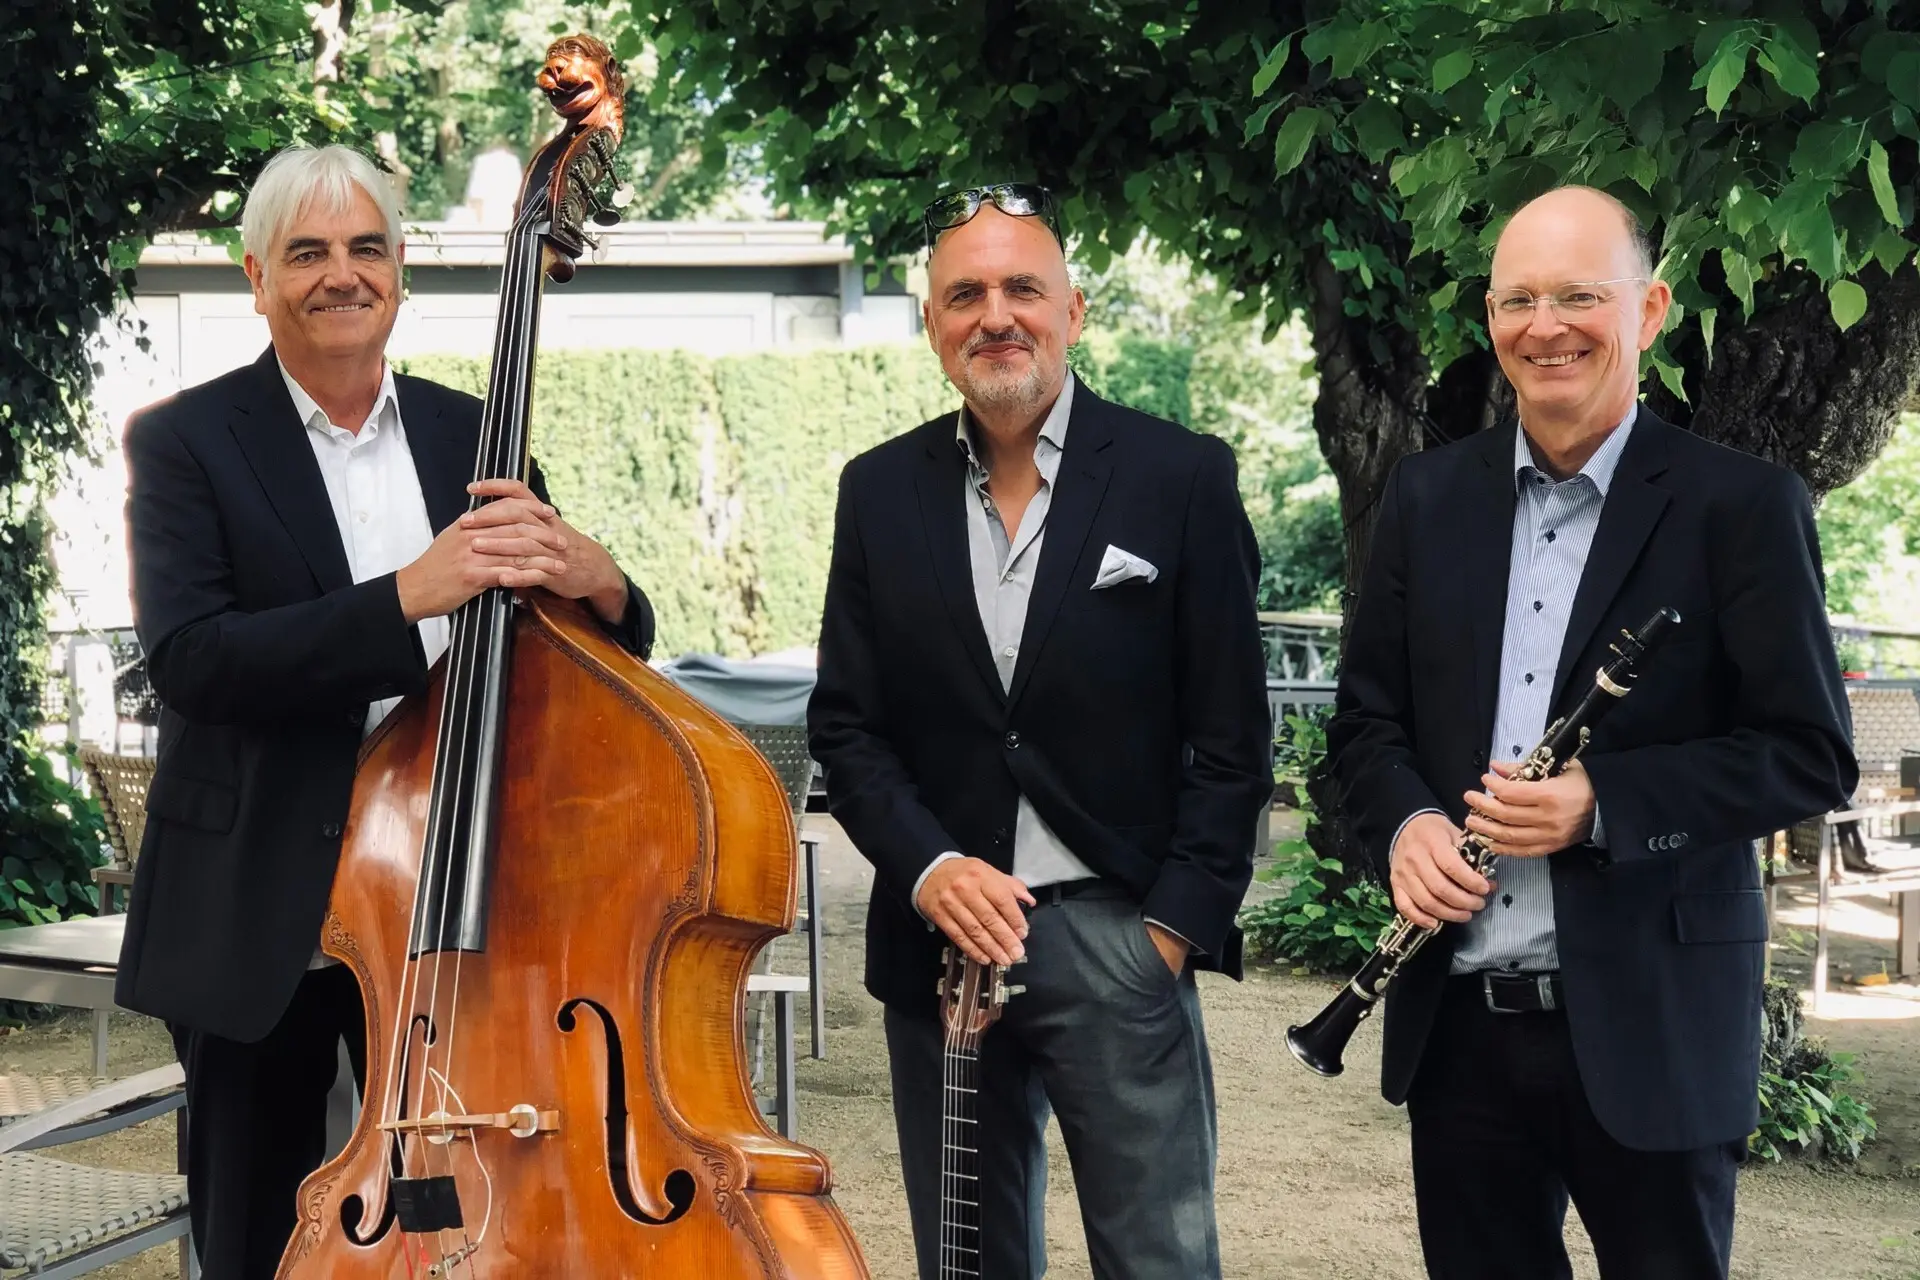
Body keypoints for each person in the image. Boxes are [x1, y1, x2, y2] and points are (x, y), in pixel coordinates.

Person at [116, 144, 655, 1279]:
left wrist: (601, 581)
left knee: (473, 1220)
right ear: (257, 277)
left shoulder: (476, 433)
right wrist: (408, 596)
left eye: (367, 247)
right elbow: (193, 659)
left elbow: (570, 657)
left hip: (448, 904)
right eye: (306, 252)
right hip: (263, 902)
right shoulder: (183, 442)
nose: (340, 273)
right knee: (257, 1228)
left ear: (401, 272)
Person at [1327, 185, 1857, 1280]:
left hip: (1653, 1022)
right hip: (1462, 1021)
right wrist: (1409, 826)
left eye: (1580, 295)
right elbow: (1367, 723)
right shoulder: (1427, 498)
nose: (1546, 324)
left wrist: (1602, 805)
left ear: (1650, 308)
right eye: (1519, 298)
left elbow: (1809, 751)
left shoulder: (1742, 506)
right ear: (1489, 320)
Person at [807, 183, 1271, 1279]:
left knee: (1158, 1257)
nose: (995, 313)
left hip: (1120, 933)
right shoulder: (876, 492)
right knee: (967, 1262)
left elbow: (1233, 736)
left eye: (1023, 286)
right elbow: (849, 725)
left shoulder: (1180, 476)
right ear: (931, 324)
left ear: (1075, 309)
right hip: (939, 948)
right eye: (964, 293)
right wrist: (926, 868)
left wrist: (1170, 932)